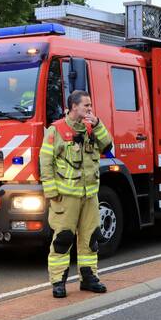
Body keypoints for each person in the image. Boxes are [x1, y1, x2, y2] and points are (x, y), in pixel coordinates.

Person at [39, 90, 114, 298]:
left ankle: (89, 278)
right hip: (66, 196)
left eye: (90, 105)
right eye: (86, 105)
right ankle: (58, 282)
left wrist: (98, 124)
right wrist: (51, 191)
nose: (90, 109)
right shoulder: (56, 130)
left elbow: (108, 147)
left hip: (90, 195)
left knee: (90, 239)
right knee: (63, 239)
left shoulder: (92, 127)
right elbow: (46, 162)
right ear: (73, 107)